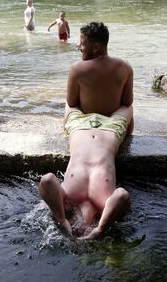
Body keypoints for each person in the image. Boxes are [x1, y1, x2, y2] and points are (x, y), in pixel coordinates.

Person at [39, 22, 134, 241]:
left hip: (81, 127)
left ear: (97, 47)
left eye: (82, 44)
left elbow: (47, 181)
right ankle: (129, 136)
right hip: (109, 130)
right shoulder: (105, 201)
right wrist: (100, 228)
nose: (78, 48)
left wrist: (61, 217)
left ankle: (122, 132)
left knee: (69, 106)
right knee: (128, 107)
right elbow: (121, 195)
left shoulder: (68, 199)